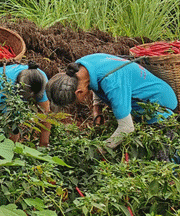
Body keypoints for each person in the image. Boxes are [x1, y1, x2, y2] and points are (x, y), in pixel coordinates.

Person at [46, 54, 178, 149]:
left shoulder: (113, 83)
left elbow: (127, 128)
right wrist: (96, 108)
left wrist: (102, 148)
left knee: (165, 152)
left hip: (160, 105)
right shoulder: (81, 67)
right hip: (141, 102)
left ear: (78, 92)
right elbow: (95, 80)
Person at [0, 62, 52, 146]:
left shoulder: (40, 79)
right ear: (18, 86)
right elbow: (1, 120)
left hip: (10, 102)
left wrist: (44, 144)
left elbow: (45, 114)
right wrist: (12, 144)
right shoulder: (0, 86)